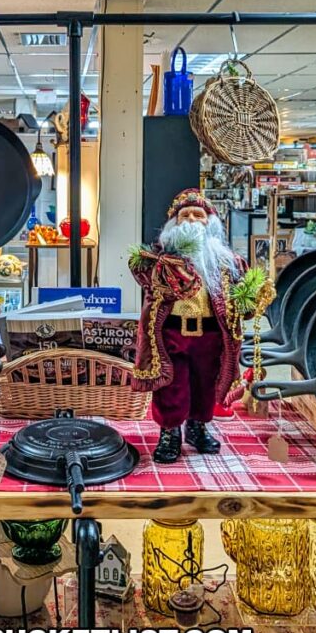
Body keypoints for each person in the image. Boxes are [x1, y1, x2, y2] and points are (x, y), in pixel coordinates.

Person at [129, 188, 245, 464]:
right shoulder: (160, 259)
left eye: (198, 215)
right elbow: (144, 275)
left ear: (210, 221)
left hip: (210, 334)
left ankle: (197, 426)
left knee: (205, 382)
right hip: (172, 333)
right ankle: (169, 432)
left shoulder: (226, 261)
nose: (192, 220)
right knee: (172, 384)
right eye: (185, 215)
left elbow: (242, 295)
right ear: (175, 222)